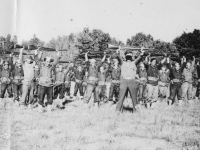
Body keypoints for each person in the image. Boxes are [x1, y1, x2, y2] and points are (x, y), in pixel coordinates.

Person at [116, 47, 144, 113]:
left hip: (132, 81)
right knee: (121, 97)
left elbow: (139, 57)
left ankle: (135, 111)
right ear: (125, 56)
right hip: (124, 81)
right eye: (127, 56)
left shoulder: (134, 63)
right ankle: (117, 111)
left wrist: (142, 52)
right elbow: (118, 57)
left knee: (134, 97)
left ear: (131, 57)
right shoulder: (122, 62)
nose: (128, 58)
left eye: (130, 56)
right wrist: (118, 51)